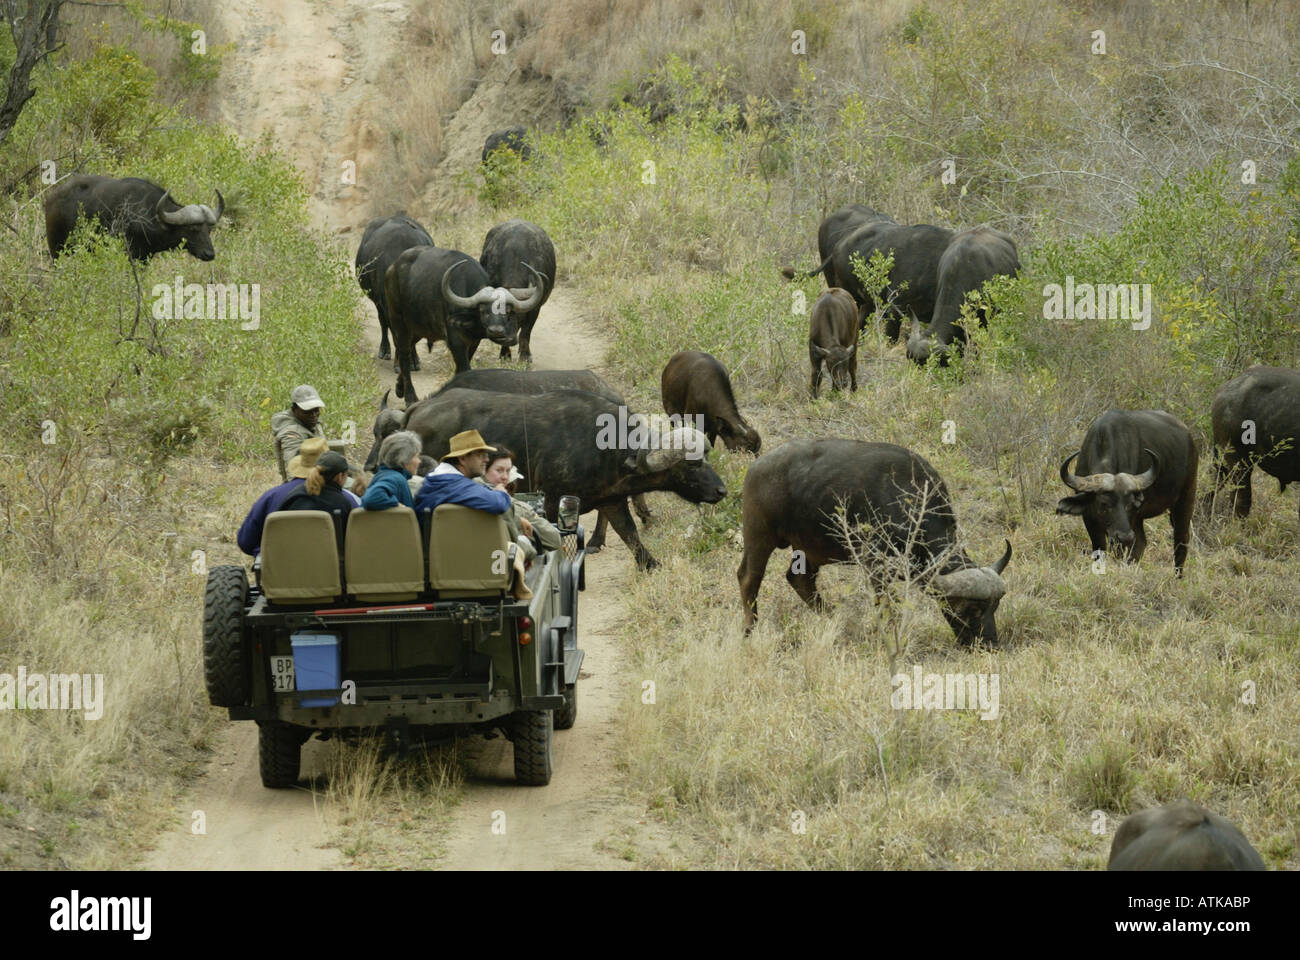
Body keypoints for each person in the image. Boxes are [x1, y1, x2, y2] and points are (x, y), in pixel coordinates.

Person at [237, 436, 327, 556]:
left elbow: (246, 542)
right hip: (330, 571)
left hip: (276, 570)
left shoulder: (271, 496)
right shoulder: (344, 498)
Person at [479, 445, 561, 560]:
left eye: (508, 471)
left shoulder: (458, 497)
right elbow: (553, 539)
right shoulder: (516, 508)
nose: (505, 477)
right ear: (483, 470)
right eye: (499, 470)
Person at [413, 430, 511, 515]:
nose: (487, 459)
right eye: (480, 455)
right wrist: (500, 492)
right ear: (463, 459)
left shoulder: (442, 480)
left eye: (486, 455)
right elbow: (498, 503)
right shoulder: (453, 483)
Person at [277, 451, 356, 550]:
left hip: (291, 560)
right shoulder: (342, 503)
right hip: (329, 563)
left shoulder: (294, 495)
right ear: (340, 477)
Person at [272, 385, 326, 477]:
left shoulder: (309, 423)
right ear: (294, 410)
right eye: (307, 411)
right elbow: (294, 472)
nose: (313, 415)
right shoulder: (292, 433)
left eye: (316, 410)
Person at [361, 430, 422, 510]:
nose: (419, 461)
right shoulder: (395, 478)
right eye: (416, 456)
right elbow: (371, 498)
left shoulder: (383, 474)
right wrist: (399, 506)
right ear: (404, 459)